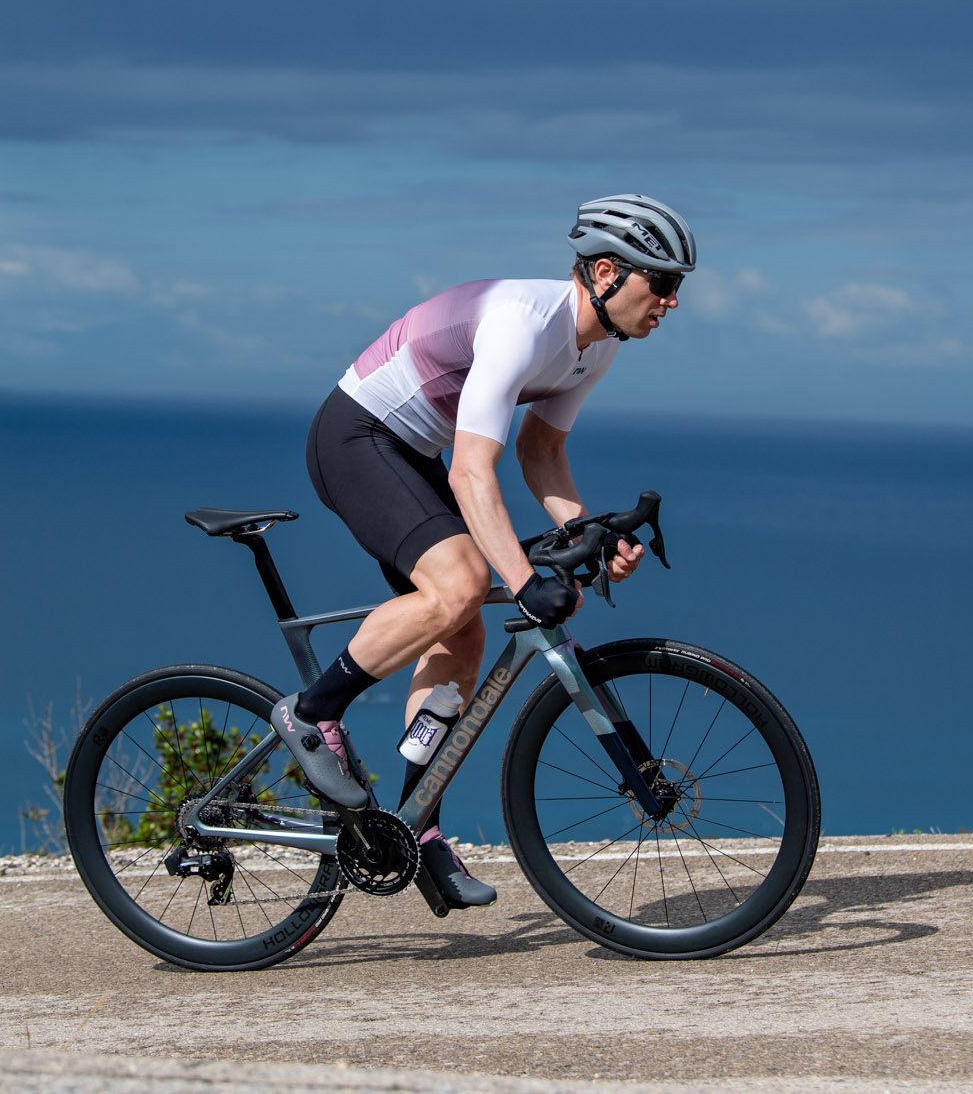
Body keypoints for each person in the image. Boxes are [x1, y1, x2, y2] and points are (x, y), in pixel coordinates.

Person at [277, 193, 697, 909]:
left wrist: (590, 536)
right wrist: (525, 580)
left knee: (462, 634)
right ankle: (312, 713)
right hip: (357, 436)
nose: (672, 301)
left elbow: (542, 451)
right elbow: (472, 472)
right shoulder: (523, 323)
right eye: (661, 282)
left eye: (677, 287)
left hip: (411, 454)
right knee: (462, 583)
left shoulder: (596, 345)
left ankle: (419, 828)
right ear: (606, 273)